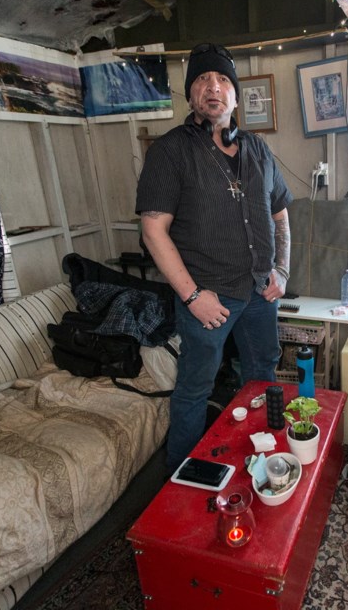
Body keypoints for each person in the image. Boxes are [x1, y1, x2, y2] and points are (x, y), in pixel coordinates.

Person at [135, 42, 294, 472]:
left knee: (261, 378)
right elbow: (153, 232)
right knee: (193, 389)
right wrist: (191, 297)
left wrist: (282, 268)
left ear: (236, 96)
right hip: (208, 299)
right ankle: (179, 484)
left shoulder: (259, 151)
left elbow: (281, 216)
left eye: (223, 79)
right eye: (203, 79)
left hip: (261, 294)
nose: (214, 87)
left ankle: (258, 461)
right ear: (190, 96)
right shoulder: (169, 151)